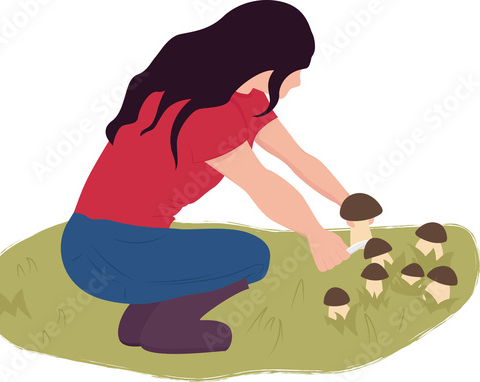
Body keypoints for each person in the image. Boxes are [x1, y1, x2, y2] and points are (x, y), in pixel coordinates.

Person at [60, 0, 350, 355]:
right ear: (267, 64)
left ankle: (138, 324)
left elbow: (297, 158)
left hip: (95, 244)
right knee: (252, 254)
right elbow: (263, 185)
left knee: (207, 250)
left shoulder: (239, 100)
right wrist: (316, 236)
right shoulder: (208, 115)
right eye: (295, 68)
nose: (299, 80)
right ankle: (166, 330)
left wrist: (347, 202)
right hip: (109, 253)